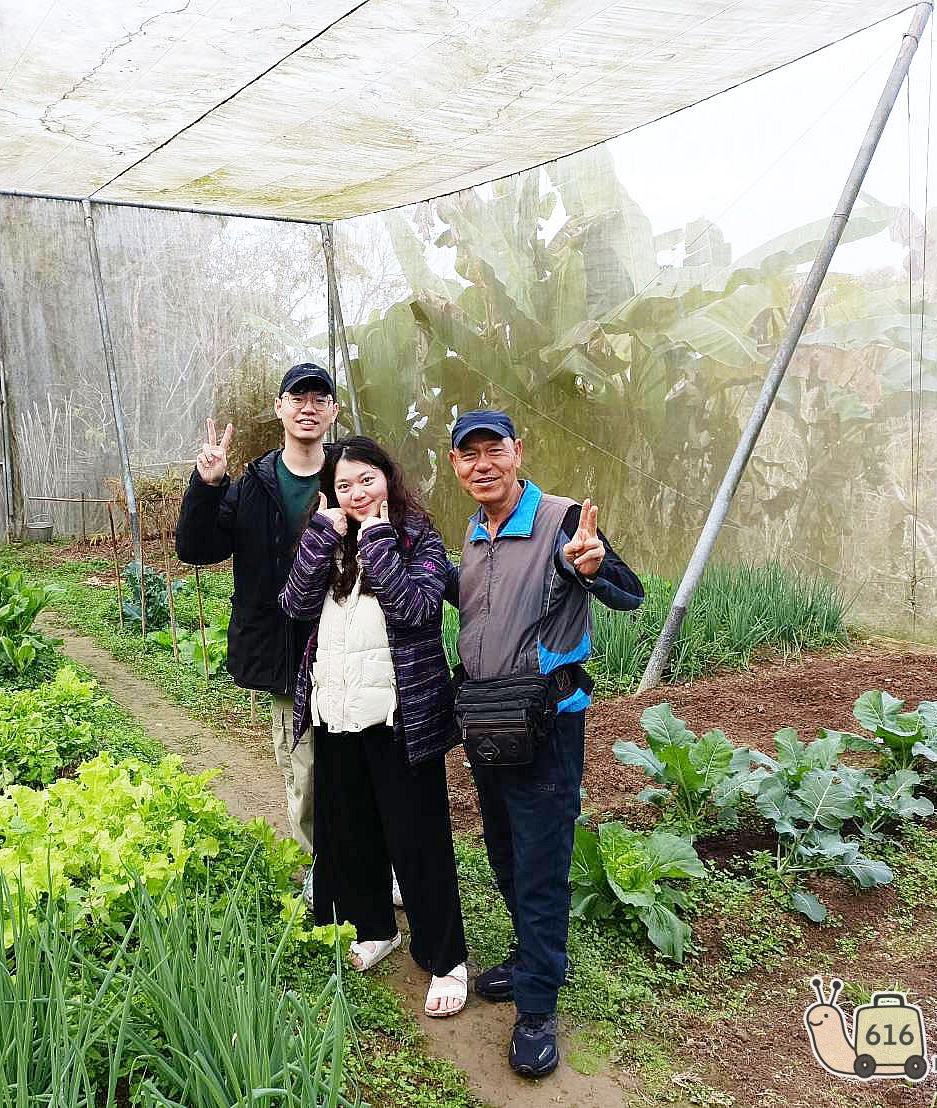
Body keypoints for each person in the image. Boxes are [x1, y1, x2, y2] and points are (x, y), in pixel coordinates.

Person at [446, 409, 645, 1077]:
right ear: (454, 466)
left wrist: (588, 568)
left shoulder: (562, 519)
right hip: (486, 720)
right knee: (502, 847)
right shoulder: (474, 534)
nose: (481, 464)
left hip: (546, 722)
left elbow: (628, 593)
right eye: (467, 454)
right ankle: (530, 959)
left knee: (539, 860)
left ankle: (536, 1005)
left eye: (491, 450)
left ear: (516, 452)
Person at [279, 436, 469, 1018]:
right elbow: (294, 603)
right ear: (329, 493)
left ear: (388, 477)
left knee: (419, 840)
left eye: (367, 479)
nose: (357, 493)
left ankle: (446, 958)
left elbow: (415, 608)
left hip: (400, 717)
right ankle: (375, 928)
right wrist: (320, 537)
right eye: (343, 485)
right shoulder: (329, 541)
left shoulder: (419, 538)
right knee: (352, 831)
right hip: (337, 712)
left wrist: (379, 542)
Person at [176, 363, 339, 876]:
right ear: (280, 409)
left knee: (365, 760)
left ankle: (377, 867)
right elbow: (196, 548)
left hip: (348, 642)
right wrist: (207, 484)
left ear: (333, 412)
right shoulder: (254, 485)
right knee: (305, 767)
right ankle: (320, 871)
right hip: (285, 650)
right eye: (298, 398)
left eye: (319, 399)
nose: (308, 408)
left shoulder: (351, 475)